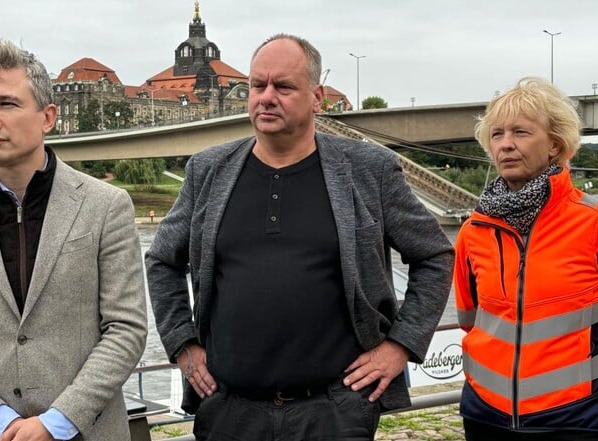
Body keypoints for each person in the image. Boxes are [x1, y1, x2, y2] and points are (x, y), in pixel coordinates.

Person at [146, 33, 454, 440]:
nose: (267, 97)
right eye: (258, 85)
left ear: (316, 96)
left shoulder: (368, 170)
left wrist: (400, 346)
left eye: (284, 86)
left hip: (334, 411)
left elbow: (434, 255)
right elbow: (162, 259)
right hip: (229, 410)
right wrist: (182, 343)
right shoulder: (209, 170)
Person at [0, 39, 148, 441]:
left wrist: (59, 422)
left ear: (47, 116)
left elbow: (126, 329)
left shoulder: (106, 206)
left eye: (6, 104)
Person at [454, 77, 598, 440]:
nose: (506, 145)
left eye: (520, 132)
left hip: (571, 420)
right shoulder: (475, 229)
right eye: (497, 134)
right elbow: (470, 319)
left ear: (554, 144)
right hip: (485, 415)